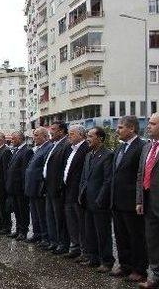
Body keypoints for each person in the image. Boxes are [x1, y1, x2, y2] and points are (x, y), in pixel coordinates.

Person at [110, 116, 147, 282]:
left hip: (132, 202)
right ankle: (125, 265)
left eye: (120, 127)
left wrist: (139, 200)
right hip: (117, 201)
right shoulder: (120, 148)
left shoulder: (141, 147)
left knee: (136, 237)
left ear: (131, 129)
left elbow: (141, 175)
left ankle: (139, 269)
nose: (117, 130)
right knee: (121, 236)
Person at [78, 127, 114, 272]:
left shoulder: (107, 155)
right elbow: (83, 177)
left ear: (100, 139)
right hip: (87, 200)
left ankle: (106, 261)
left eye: (91, 136)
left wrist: (100, 199)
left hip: (99, 202)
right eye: (87, 136)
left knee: (103, 233)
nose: (88, 138)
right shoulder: (88, 155)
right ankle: (93, 258)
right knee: (90, 231)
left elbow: (107, 180)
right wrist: (81, 194)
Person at [136, 112, 159, 289]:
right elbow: (140, 175)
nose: (148, 126)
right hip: (149, 201)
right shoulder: (147, 147)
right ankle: (155, 276)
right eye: (149, 123)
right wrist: (139, 200)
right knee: (152, 240)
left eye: (152, 123)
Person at [43, 121, 72, 254]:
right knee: (51, 217)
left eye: (53, 129)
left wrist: (60, 186)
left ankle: (63, 243)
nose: (51, 132)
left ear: (61, 131)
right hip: (49, 187)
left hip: (58, 189)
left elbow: (65, 168)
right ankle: (54, 241)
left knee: (60, 218)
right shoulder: (54, 145)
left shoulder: (66, 145)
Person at [62, 125, 90, 259]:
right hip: (68, 190)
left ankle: (84, 251)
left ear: (81, 135)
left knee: (80, 222)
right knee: (71, 221)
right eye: (69, 134)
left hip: (78, 192)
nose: (69, 136)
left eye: (72, 134)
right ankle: (75, 247)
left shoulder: (85, 149)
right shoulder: (71, 149)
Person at [25, 127, 53, 245]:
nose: (34, 138)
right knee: (35, 213)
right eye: (34, 135)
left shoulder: (48, 148)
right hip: (32, 187)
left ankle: (45, 237)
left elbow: (44, 169)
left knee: (42, 214)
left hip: (39, 187)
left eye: (36, 135)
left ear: (45, 136)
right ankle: (37, 234)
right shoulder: (38, 148)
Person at [5, 131, 33, 240]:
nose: (12, 141)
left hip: (20, 188)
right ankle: (17, 229)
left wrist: (23, 187)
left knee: (23, 210)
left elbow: (24, 171)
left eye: (14, 139)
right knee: (16, 210)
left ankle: (23, 231)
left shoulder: (27, 151)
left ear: (20, 139)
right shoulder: (17, 150)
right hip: (13, 187)